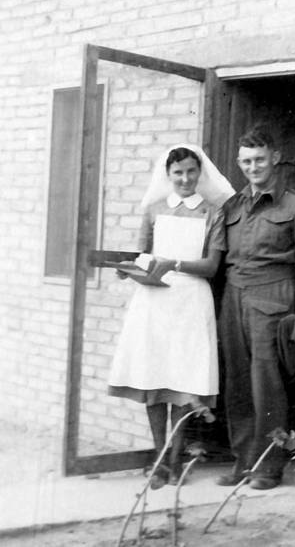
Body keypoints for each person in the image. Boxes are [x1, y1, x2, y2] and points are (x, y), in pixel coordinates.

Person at [108, 144, 234, 489]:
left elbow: (211, 266)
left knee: (181, 379)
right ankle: (160, 457)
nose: (185, 178)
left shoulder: (213, 212)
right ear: (168, 175)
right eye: (178, 173)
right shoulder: (153, 209)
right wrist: (127, 270)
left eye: (191, 171)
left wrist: (174, 264)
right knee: (153, 376)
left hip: (191, 302)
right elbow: (143, 257)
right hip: (154, 301)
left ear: (200, 173)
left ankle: (176, 460)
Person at [213, 124, 295, 490]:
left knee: (267, 386)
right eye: (246, 161)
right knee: (238, 384)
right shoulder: (233, 205)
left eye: (259, 159)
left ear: (275, 158)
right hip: (234, 298)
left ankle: (268, 466)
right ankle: (243, 461)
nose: (253, 167)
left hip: (272, 298)